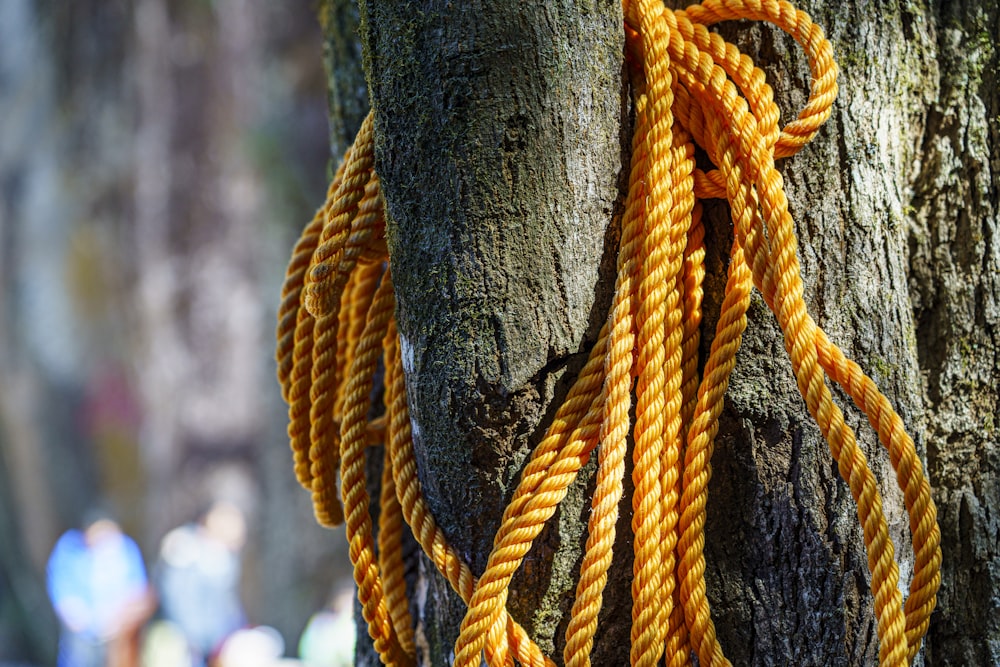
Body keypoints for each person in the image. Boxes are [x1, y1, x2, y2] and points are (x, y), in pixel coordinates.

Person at [46, 513, 155, 667]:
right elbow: (64, 595)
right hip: (84, 633)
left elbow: (138, 589)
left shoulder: (126, 549)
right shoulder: (69, 551)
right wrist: (85, 621)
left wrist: (118, 617)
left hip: (119, 630)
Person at [156, 501, 247, 666]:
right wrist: (195, 640)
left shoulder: (223, 558)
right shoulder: (185, 551)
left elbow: (227, 604)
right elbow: (180, 601)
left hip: (216, 641)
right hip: (189, 643)